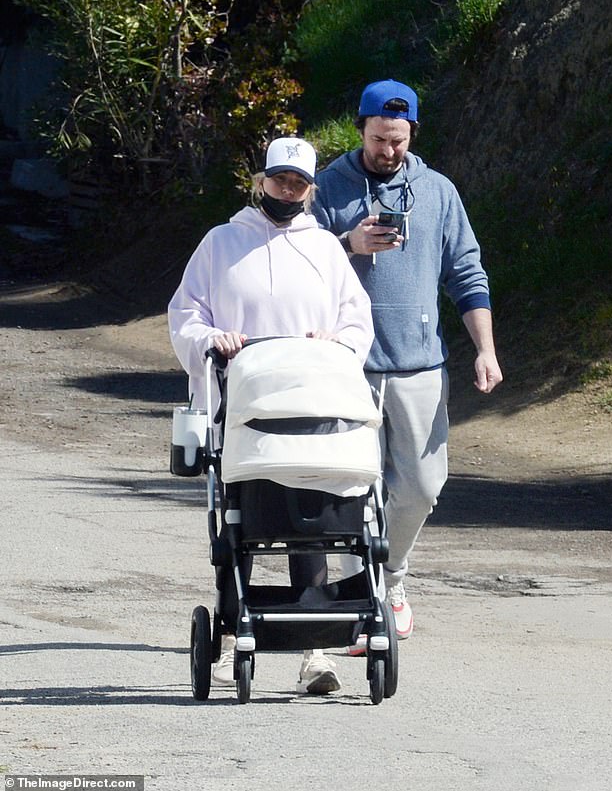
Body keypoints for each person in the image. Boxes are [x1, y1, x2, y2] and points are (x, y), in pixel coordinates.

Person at [168, 137, 374, 694]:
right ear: (261, 182)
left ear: (310, 191)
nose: (287, 191)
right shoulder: (221, 243)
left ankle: (316, 650)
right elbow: (185, 313)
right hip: (244, 408)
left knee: (312, 521)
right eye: (278, 180)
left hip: (312, 406)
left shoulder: (326, 250)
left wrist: (336, 342)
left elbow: (358, 319)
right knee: (245, 519)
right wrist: (215, 338)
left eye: (298, 183)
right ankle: (235, 629)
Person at [311, 79, 503, 646]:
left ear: (412, 132)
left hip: (420, 365)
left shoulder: (439, 191)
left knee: (421, 486)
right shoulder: (325, 188)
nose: (388, 151)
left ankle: (390, 574)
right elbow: (297, 262)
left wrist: (486, 350)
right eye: (377, 140)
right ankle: (357, 595)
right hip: (347, 365)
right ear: (360, 129)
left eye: (397, 141)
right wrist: (348, 243)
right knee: (349, 486)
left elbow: (466, 273)